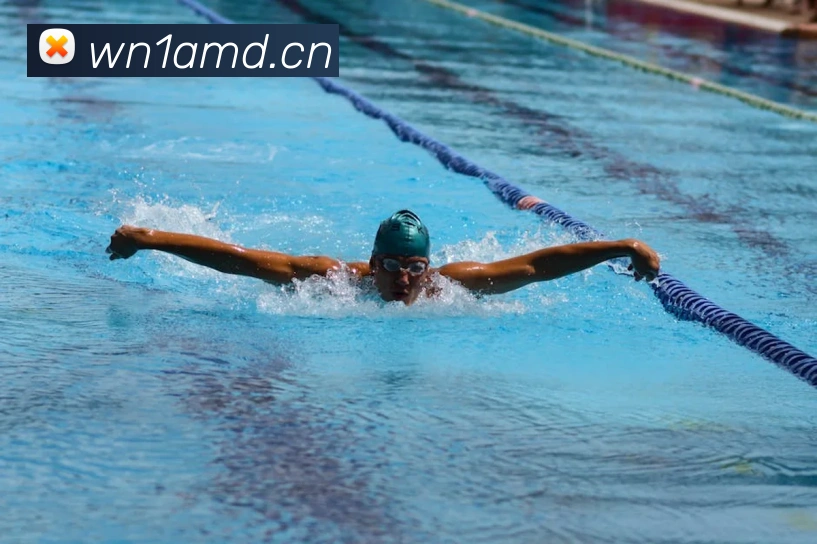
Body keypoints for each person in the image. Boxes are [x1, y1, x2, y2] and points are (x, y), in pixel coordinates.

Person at [106, 209, 661, 306]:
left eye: (414, 268)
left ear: (428, 266)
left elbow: (539, 265)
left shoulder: (450, 286)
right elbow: (240, 259)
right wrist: (151, 238)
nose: (403, 279)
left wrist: (622, 245)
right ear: (372, 265)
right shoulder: (332, 282)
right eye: (391, 267)